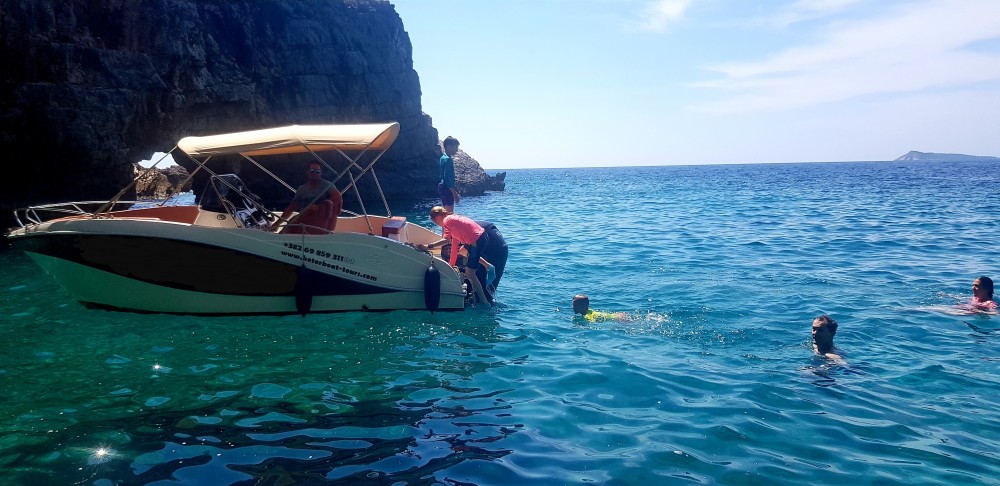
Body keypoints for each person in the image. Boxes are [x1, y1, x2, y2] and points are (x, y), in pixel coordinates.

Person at [417, 206, 494, 306]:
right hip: (479, 237)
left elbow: (447, 240)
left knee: (470, 273)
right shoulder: (451, 219)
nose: (438, 225)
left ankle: (484, 302)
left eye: (435, 222)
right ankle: (488, 266)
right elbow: (454, 244)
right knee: (462, 251)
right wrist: (451, 265)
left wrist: (428, 246)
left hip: (476, 241)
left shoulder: (447, 221)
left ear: (437, 218)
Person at [272, 162, 342, 235]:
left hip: (319, 219)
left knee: (308, 210)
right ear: (307, 172)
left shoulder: (327, 185)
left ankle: (282, 235)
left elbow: (338, 198)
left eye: (318, 171)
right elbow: (291, 208)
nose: (315, 173)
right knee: (292, 222)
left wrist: (318, 207)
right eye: (312, 170)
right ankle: (279, 235)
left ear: (321, 173)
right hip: (303, 218)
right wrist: (277, 223)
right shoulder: (302, 189)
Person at [438, 137, 461, 212]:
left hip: (441, 186)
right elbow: (447, 178)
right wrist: (455, 194)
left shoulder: (442, 158)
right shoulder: (448, 159)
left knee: (446, 211)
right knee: (449, 213)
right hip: (446, 187)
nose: (457, 150)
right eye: (455, 147)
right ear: (448, 147)